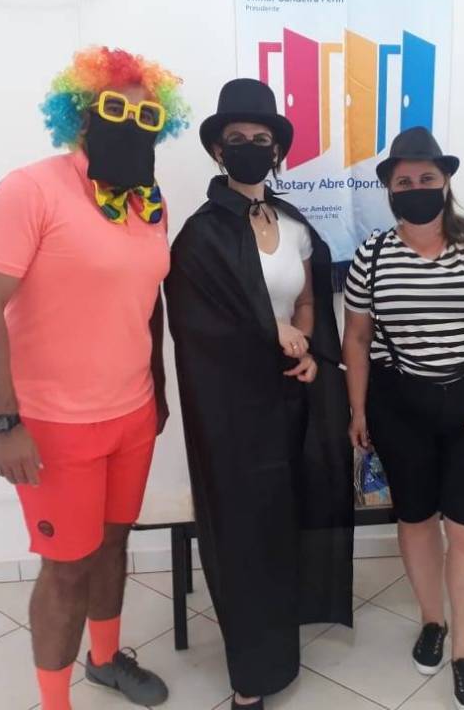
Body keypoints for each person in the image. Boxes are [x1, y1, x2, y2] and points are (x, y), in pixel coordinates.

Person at [0, 47, 190, 710]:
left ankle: (106, 660)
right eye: (114, 108)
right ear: (81, 115)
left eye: (147, 115)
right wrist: (4, 423)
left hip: (131, 416)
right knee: (66, 568)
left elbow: (148, 304)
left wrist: (158, 393)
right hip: (54, 426)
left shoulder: (150, 203)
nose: (132, 123)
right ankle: (54, 702)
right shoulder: (30, 190)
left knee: (113, 544)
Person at [164, 78, 354, 710]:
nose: (250, 147)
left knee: (286, 521)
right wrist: (270, 333)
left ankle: (283, 640)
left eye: (261, 138)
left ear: (276, 151)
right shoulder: (201, 235)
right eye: (237, 138)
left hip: (291, 400)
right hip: (232, 408)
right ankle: (250, 676)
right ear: (219, 150)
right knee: (244, 531)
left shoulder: (294, 224)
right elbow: (197, 321)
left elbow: (310, 300)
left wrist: (309, 350)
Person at [342, 126, 464, 710]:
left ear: (446, 181)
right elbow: (357, 338)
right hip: (399, 406)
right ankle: (433, 620)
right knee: (416, 520)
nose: (416, 188)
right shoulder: (373, 255)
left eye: (427, 178)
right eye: (404, 181)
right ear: (389, 189)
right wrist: (358, 408)